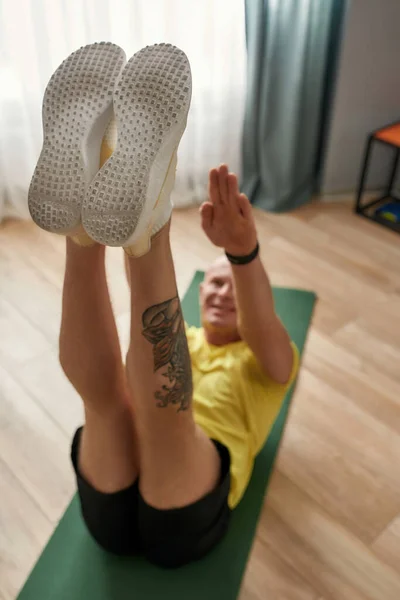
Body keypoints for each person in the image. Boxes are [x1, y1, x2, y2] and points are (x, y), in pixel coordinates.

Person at [29, 42, 298, 569]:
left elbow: (260, 317)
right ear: (196, 303)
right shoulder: (188, 340)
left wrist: (241, 256)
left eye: (230, 289)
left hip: (189, 512)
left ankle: (148, 225)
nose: (220, 292)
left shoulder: (268, 364)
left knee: (162, 416)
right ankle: (89, 229)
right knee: (111, 405)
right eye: (212, 287)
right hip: (114, 487)